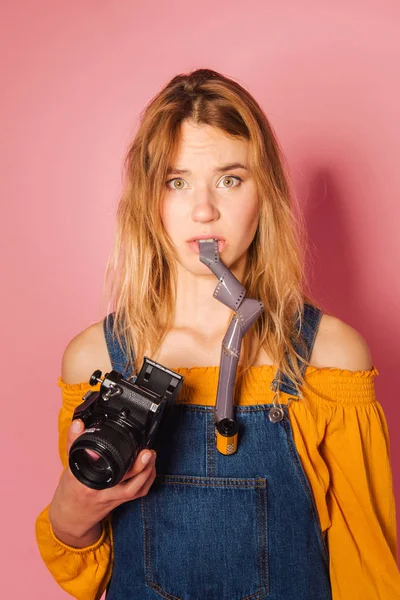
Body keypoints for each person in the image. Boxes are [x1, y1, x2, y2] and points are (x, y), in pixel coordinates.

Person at [35, 69, 400, 600]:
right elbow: (88, 571)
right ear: (147, 199)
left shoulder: (330, 357)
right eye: (176, 182)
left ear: (265, 192)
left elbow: (366, 572)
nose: (204, 210)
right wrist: (70, 514)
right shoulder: (96, 360)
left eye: (230, 179)